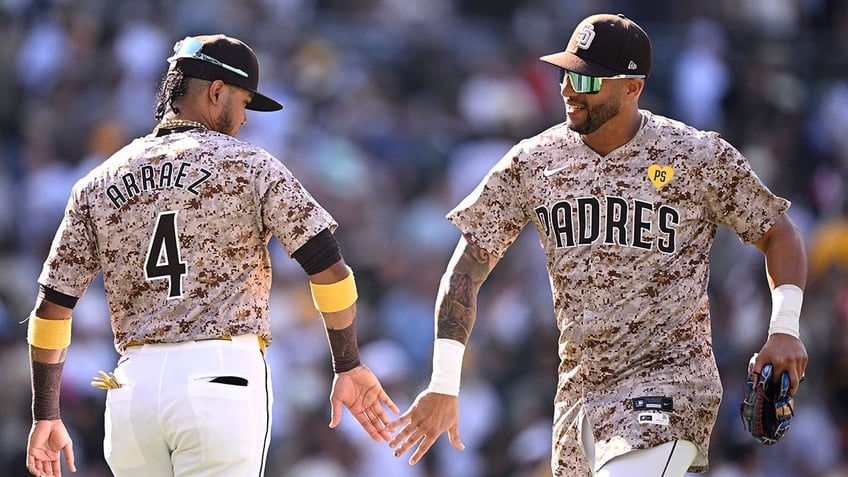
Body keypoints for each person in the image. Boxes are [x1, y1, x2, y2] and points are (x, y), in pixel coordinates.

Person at [389, 13, 808, 477]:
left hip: (669, 382)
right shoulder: (534, 161)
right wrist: (444, 381)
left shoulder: (695, 155)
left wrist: (784, 327)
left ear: (632, 87)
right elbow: (466, 269)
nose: (568, 89)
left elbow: (778, 232)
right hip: (580, 398)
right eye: (566, 74)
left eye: (586, 78)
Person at [25, 34, 398, 477]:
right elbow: (330, 270)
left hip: (130, 390)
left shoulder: (98, 181)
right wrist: (348, 364)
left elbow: (51, 310)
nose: (243, 118)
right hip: (220, 378)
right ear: (217, 91)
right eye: (243, 102)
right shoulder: (250, 164)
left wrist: (44, 414)